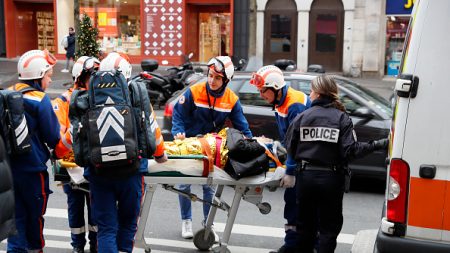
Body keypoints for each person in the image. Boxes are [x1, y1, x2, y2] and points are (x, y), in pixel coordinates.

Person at [284, 75, 388, 253]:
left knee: (305, 229)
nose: (309, 95)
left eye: (310, 91)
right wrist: (378, 144)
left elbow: (290, 148)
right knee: (328, 230)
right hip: (331, 180)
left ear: (317, 94)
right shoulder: (342, 118)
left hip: (306, 179)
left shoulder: (302, 117)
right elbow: (351, 151)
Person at [88, 52, 167, 252]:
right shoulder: (137, 94)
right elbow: (152, 131)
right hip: (131, 171)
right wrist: (160, 155)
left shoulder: (88, 95)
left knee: (106, 229)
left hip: (99, 173)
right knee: (128, 223)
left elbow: (75, 136)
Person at [171, 56, 252, 240]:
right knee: (184, 184)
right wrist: (178, 132)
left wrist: (250, 142)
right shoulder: (194, 91)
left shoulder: (231, 99)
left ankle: (208, 224)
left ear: (226, 81)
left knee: (209, 188)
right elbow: (178, 114)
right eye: (210, 75)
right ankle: (186, 221)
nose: (211, 80)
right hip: (189, 145)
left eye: (217, 78)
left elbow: (242, 126)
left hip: (212, 149)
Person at [249, 65, 311, 253]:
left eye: (263, 91)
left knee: (301, 205)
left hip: (307, 161)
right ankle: (294, 245)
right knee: (293, 203)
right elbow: (289, 138)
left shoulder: (294, 104)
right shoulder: (280, 102)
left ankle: (303, 246)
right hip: (300, 158)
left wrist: (290, 171)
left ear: (275, 88)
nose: (261, 95)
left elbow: (297, 141)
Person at [7, 49, 61, 252]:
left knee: (16, 217)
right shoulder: (40, 99)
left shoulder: (6, 93)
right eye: (48, 76)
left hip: (9, 171)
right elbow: (53, 137)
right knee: (35, 216)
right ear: (38, 76)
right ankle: (35, 249)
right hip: (32, 170)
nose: (49, 80)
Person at [52, 56, 100, 253]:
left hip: (94, 164)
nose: (94, 81)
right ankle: (77, 246)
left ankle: (96, 244)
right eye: (90, 76)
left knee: (97, 208)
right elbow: (58, 143)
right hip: (70, 166)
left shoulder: (100, 97)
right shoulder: (63, 101)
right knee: (75, 206)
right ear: (79, 78)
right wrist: (75, 133)